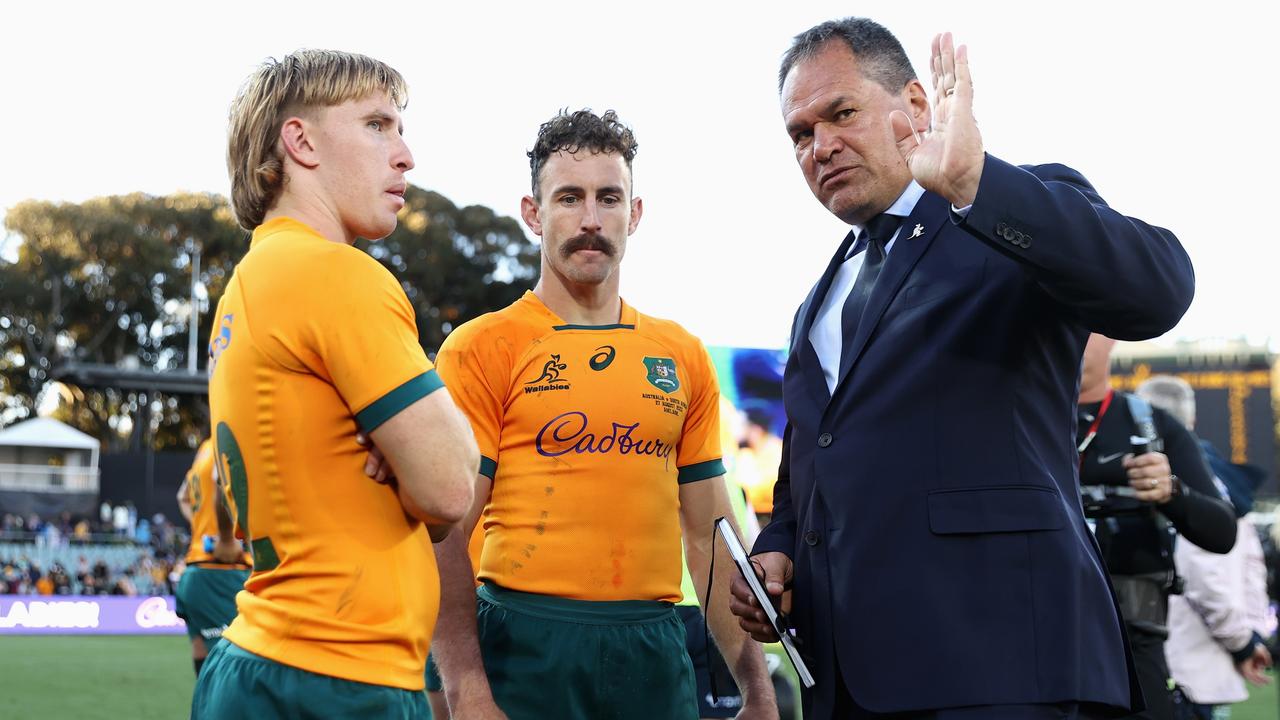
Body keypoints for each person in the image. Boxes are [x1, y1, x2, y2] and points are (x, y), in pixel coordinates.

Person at [728, 17, 1196, 719]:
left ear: (915, 106)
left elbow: (1160, 289)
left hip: (1003, 669)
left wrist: (977, 183)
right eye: (800, 134)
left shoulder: (1007, 209)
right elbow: (807, 477)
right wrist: (779, 552)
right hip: (848, 683)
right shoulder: (813, 306)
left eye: (841, 113)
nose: (821, 146)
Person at [423, 109, 776, 720]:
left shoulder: (681, 353)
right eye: (569, 198)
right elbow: (444, 531)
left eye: (609, 198)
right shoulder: (484, 346)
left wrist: (757, 688)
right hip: (526, 646)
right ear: (533, 214)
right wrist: (467, 689)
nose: (591, 220)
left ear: (634, 215)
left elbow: (712, 535)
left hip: (655, 649)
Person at [191, 49, 479, 720]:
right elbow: (449, 488)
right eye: (378, 124)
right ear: (301, 141)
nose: (405, 154)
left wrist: (420, 459)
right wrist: (431, 453)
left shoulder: (254, 279)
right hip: (333, 677)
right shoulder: (336, 274)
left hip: (271, 662)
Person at [1077, 338, 1236, 720]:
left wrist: (1171, 491)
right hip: (1027, 641)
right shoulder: (1011, 420)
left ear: (1111, 336)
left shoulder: (1150, 424)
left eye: (1086, 324)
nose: (1074, 335)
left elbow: (1222, 531)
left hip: (1132, 643)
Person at [1135, 375, 1272, 719]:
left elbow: (1206, 574)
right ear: (1192, 419)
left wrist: (1242, 643)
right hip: (1199, 666)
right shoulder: (1223, 481)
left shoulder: (1182, 482)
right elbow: (1251, 565)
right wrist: (1250, 635)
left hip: (1180, 670)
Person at [174, 436, 251, 675]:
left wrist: (202, 530)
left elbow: (182, 497)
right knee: (233, 676)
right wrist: (227, 539)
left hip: (197, 573)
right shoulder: (228, 434)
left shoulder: (205, 448)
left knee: (207, 677)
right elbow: (221, 481)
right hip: (222, 573)